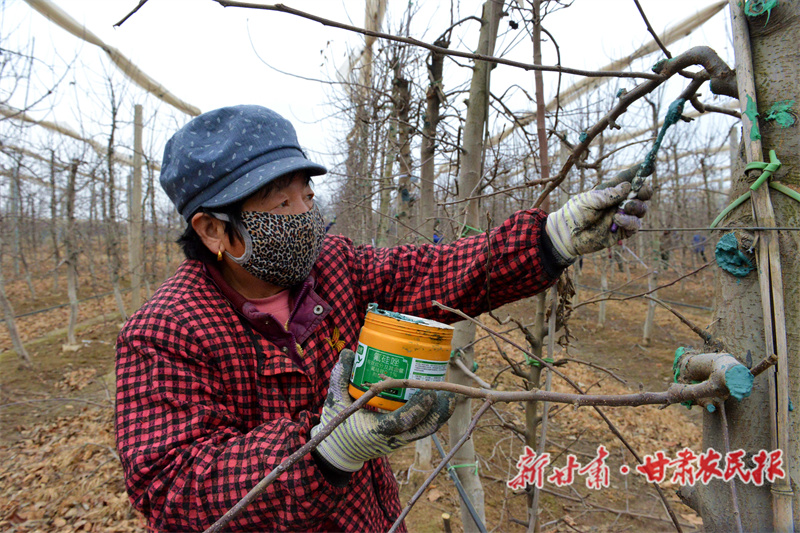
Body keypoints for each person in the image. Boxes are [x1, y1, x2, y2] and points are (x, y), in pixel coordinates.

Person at [115, 105, 650, 532]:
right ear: (212, 230)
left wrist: (548, 240)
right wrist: (325, 450)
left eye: (307, 196)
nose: (307, 218)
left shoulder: (333, 266)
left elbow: (428, 274)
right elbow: (174, 487)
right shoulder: (164, 334)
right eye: (282, 205)